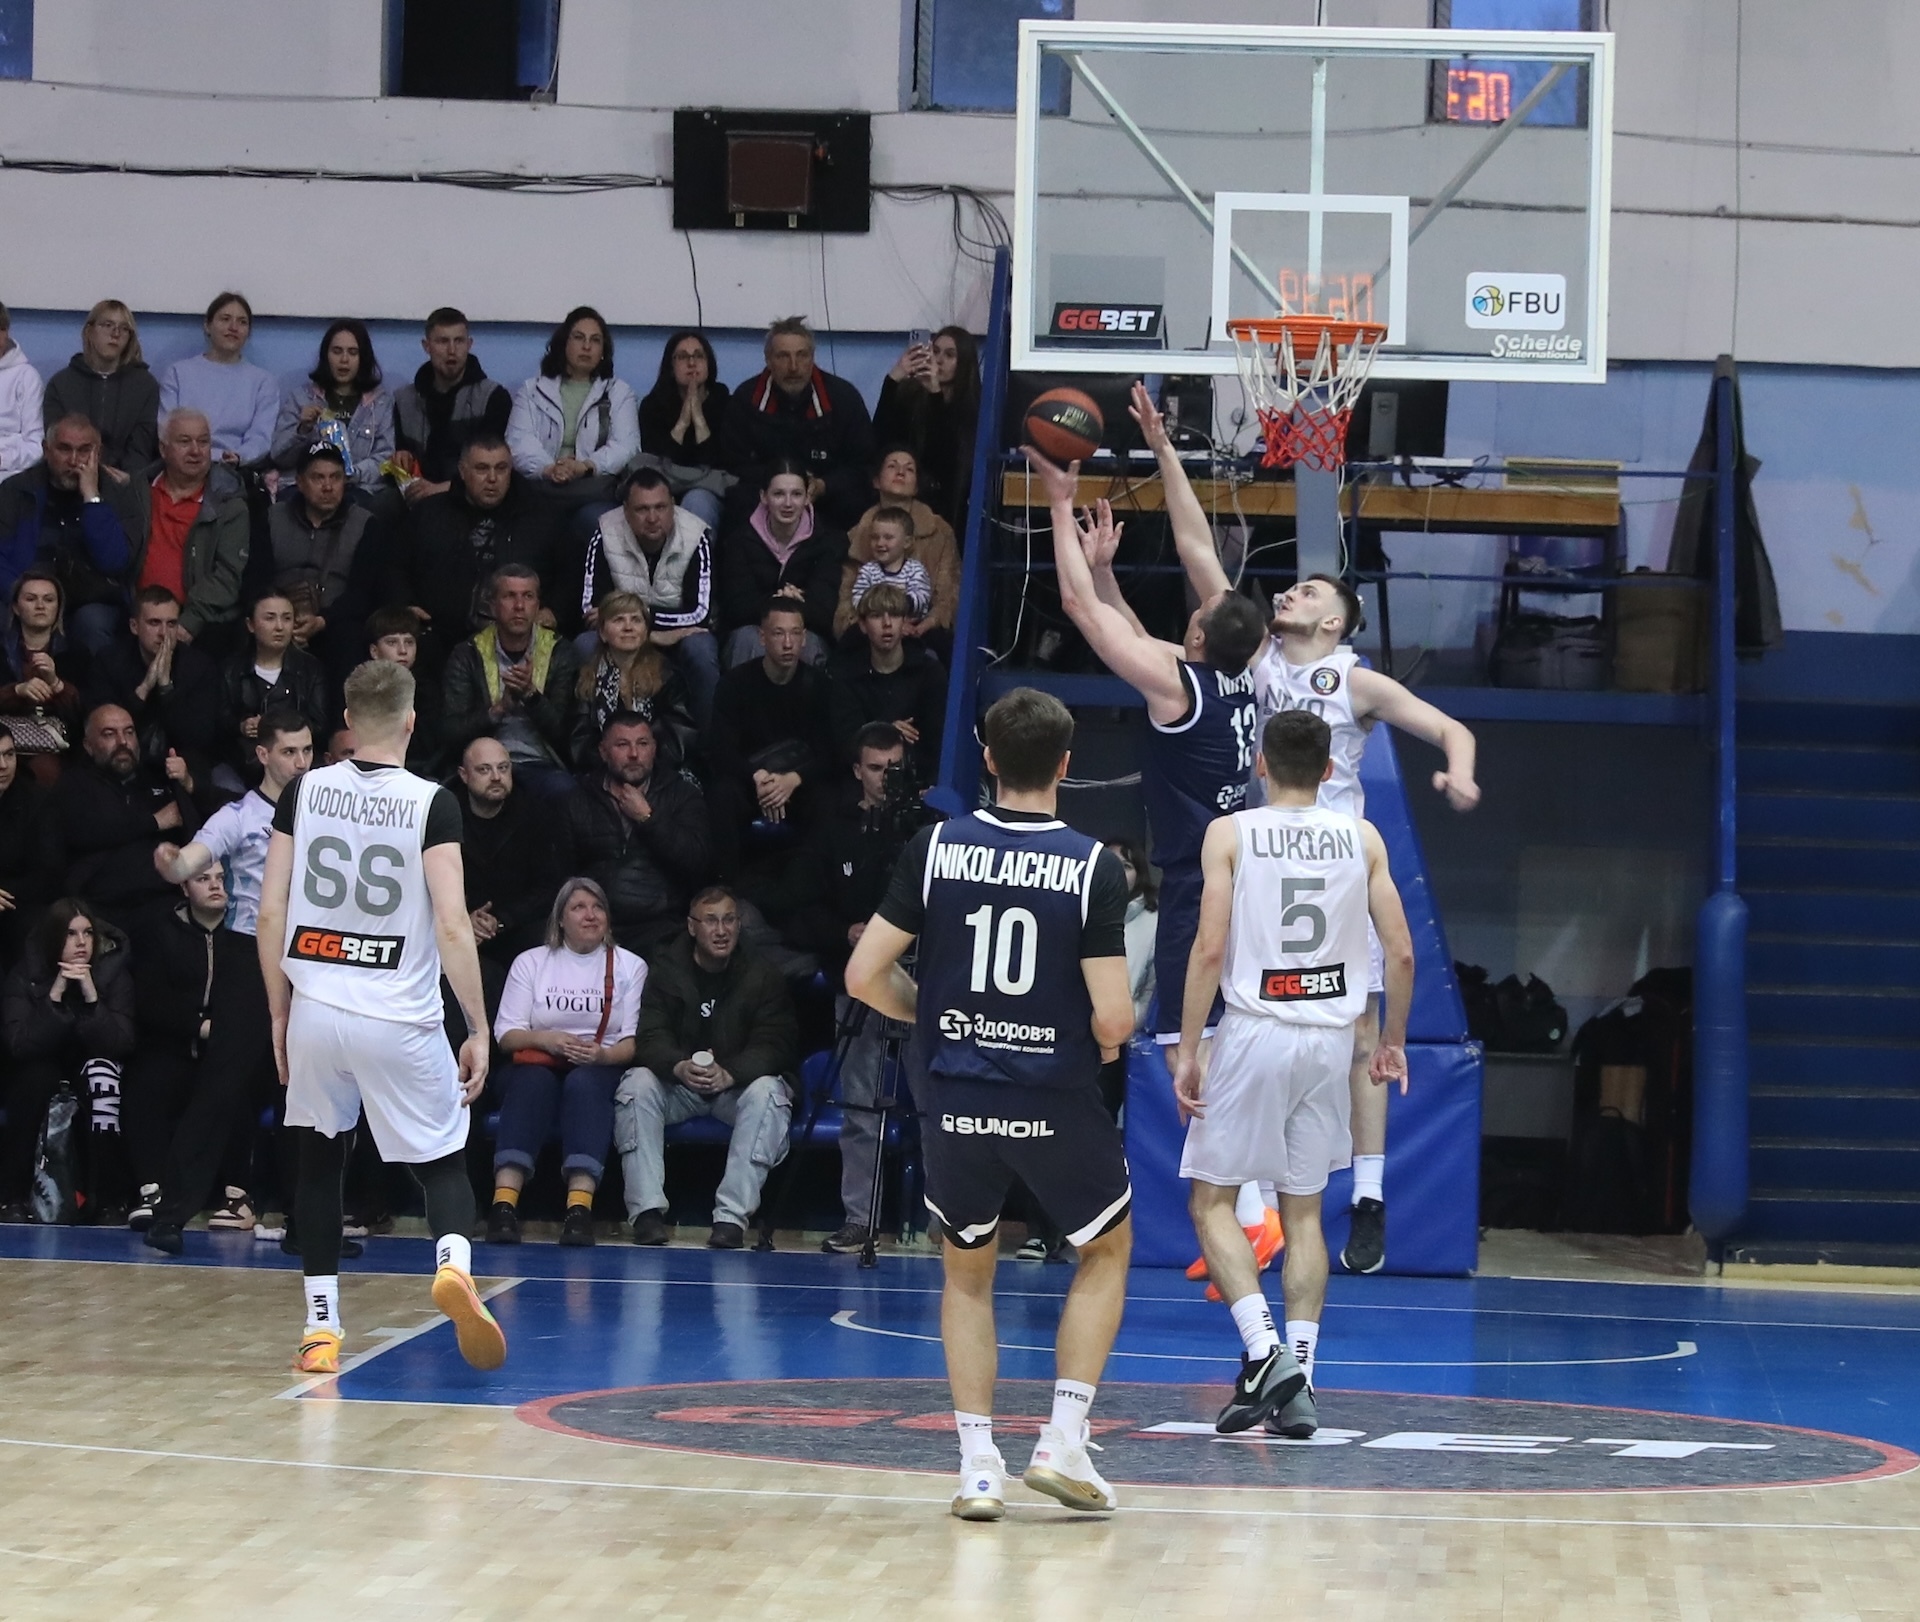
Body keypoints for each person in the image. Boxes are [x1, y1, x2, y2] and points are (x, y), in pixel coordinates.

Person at [1129, 383, 1480, 1276]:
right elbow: (1196, 547)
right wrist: (1164, 449)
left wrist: (1460, 771)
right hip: (1258, 863)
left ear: (1332, 620)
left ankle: (1368, 1198)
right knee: (1245, 1026)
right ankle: (1255, 1212)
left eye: (1309, 588)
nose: (1289, 588)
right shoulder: (1252, 654)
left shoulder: (1354, 680)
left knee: (1360, 1037)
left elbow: (1450, 728)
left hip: (1330, 873)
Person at [844, 687, 1136, 1520]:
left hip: (956, 1093)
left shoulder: (935, 848)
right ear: (1065, 766)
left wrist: (930, 1014)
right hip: (1052, 1094)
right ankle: (1063, 1439)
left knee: (967, 1272)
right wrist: (1102, 1039)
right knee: (1105, 1250)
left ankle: (978, 1465)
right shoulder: (1092, 865)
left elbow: (863, 975)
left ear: (987, 758)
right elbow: (1114, 1017)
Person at [250, 659, 504, 1376]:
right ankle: (452, 1264)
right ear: (412, 721)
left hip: (317, 1008)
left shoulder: (303, 790)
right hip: (397, 1013)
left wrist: (279, 1012)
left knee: (319, 1160)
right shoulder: (432, 802)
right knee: (442, 1159)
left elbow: (270, 911)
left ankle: (320, 1330)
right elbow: (452, 924)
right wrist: (477, 1027)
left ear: (347, 721)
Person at [1172, 710, 1415, 1440]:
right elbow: (1401, 953)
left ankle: (1264, 1354)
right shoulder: (1363, 837)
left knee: (1212, 1202)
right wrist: (1393, 1041)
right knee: (1304, 1213)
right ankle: (1301, 1380)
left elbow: (1208, 948)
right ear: (1330, 769)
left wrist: (1190, 1048)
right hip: (1329, 1041)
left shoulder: (1231, 833)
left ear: (1260, 763)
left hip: (1257, 1030)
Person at [145, 708, 313, 1242]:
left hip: (309, 957)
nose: (301, 762)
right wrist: (172, 864)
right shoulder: (238, 815)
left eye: (308, 750)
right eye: (289, 751)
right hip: (248, 955)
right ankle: (170, 1215)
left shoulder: (324, 812)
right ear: (263, 754)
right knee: (221, 1085)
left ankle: (306, 1225)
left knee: (305, 1092)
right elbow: (191, 859)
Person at [780, 722, 922, 1253]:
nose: (886, 777)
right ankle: (860, 1219)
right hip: (860, 978)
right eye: (877, 768)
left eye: (895, 768)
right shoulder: (832, 830)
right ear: (858, 770)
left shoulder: (928, 831)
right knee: (860, 1106)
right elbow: (800, 902)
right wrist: (846, 932)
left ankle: (950, 1224)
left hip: (923, 979)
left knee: (938, 1102)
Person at [613, 884, 798, 1250]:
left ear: (739, 924)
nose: (721, 930)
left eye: (729, 920)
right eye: (711, 921)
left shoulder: (763, 974)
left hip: (736, 1089)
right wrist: (678, 1066)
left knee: (770, 1093)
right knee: (636, 1084)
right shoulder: (665, 969)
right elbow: (649, 1036)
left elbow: (776, 1042)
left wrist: (732, 1072)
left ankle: (731, 1219)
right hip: (679, 1086)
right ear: (691, 926)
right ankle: (647, 1214)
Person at [486, 877, 646, 1247]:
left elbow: (632, 1042)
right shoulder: (531, 962)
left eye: (598, 907)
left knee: (584, 1085)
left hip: (599, 1066)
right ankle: (503, 1205)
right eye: (579, 908)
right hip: (536, 1062)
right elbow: (506, 1034)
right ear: (560, 919)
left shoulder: (630, 965)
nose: (590, 915)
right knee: (532, 1083)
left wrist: (602, 1055)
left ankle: (579, 1210)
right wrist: (546, 1039)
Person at [123, 864, 247, 1231]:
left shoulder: (245, 933)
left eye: (221, 878)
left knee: (239, 1085)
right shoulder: (159, 932)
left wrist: (225, 1031)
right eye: (203, 879)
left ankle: (238, 1195)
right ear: (184, 887)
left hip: (227, 1047)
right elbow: (150, 999)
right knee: (145, 1085)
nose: (215, 886)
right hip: (173, 1043)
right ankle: (153, 1191)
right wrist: (199, 1026)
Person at [1, 898, 137, 1220]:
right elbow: (20, 1044)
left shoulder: (113, 972)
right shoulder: (26, 974)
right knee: (34, 1082)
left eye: (88, 933)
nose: (81, 942)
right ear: (53, 939)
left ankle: (110, 1199)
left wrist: (92, 998)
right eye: (71, 934)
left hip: (92, 1057)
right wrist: (55, 996)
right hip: (39, 1061)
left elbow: (121, 1043)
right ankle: (12, 1196)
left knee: (102, 1077)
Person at [389, 431, 565, 663]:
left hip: (522, 641)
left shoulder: (542, 517)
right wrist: (406, 605)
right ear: (462, 471)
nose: (492, 478)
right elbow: (394, 565)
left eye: (501, 469)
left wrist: (554, 610)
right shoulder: (428, 514)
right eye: (482, 469)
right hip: (437, 637)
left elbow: (570, 572)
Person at [703, 597, 838, 884]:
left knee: (828, 799)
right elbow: (721, 750)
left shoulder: (821, 687)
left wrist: (793, 780)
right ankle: (727, 888)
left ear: (804, 638)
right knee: (722, 794)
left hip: (799, 784)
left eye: (795, 633)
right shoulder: (734, 685)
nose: (788, 643)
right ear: (762, 637)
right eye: (778, 633)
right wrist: (758, 777)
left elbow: (830, 752)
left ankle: (811, 886)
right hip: (751, 782)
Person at [552, 713, 710, 955]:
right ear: (603, 751)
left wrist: (648, 818)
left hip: (661, 926)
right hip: (594, 926)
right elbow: (561, 876)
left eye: (642, 744)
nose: (634, 754)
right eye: (622, 744)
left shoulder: (682, 795)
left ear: (654, 749)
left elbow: (697, 862)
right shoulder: (576, 801)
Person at [579, 468, 720, 725]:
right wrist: (646, 631)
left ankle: (706, 741)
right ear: (626, 511)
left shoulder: (695, 535)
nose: (653, 518)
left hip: (672, 640)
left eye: (660, 507)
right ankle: (596, 737)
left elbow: (700, 613)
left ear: (672, 506)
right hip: (624, 636)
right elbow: (591, 610)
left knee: (701, 647)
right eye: (642, 509)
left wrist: (636, 621)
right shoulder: (606, 533)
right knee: (585, 644)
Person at [0, 413, 139, 651]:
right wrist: (23, 595)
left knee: (93, 622)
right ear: (46, 450)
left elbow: (115, 562)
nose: (74, 460)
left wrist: (92, 499)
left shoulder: (117, 493)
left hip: (91, 598)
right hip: (26, 593)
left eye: (84, 451)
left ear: (98, 453)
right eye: (64, 449)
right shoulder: (16, 490)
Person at [54, 703, 201, 928]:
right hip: (101, 906)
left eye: (129, 732)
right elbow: (87, 831)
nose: (123, 742)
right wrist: (154, 822)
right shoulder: (74, 784)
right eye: (109, 734)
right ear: (88, 746)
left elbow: (196, 825)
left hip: (163, 900)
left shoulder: (158, 776)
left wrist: (188, 783)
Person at [442, 563, 580, 799]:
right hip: (485, 764)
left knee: (566, 791)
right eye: (509, 596)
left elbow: (565, 734)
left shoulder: (560, 651)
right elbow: (452, 732)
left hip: (541, 764)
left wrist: (531, 696)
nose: (519, 606)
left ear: (538, 605)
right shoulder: (468, 653)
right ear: (492, 605)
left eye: (528, 596)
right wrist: (498, 709)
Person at [722, 316, 875, 528]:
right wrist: (779, 483)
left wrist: (824, 485)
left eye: (802, 355)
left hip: (825, 496)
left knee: (854, 501)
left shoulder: (843, 398)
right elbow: (732, 462)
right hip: (765, 495)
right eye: (783, 356)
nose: (793, 367)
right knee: (738, 500)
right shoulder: (747, 399)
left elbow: (863, 463)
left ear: (813, 357)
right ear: (768, 359)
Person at [132, 409, 251, 648]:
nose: (196, 451)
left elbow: (228, 576)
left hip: (200, 622)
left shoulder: (230, 505)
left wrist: (188, 622)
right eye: (185, 442)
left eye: (203, 442)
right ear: (163, 449)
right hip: (137, 615)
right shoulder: (138, 491)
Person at [260, 442, 381, 677]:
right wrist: (282, 618)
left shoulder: (365, 524)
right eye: (318, 478)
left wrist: (322, 621)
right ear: (300, 482)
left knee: (350, 638)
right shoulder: (272, 519)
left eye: (335, 477)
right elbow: (257, 578)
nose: (328, 486)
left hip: (334, 622)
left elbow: (363, 592)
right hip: (277, 616)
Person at [505, 306, 639, 515]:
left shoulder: (618, 392)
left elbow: (626, 446)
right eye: (578, 337)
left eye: (595, 340)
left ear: (603, 351)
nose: (586, 346)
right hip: (541, 487)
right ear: (563, 344)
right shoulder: (532, 390)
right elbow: (518, 442)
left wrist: (586, 466)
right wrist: (550, 469)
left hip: (593, 491)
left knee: (592, 521)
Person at [83, 588, 221, 784]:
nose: (163, 633)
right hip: (121, 765)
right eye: (154, 623)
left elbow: (198, 739)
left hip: (182, 768)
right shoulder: (109, 661)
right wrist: (145, 688)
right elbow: (102, 728)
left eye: (171, 624)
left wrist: (166, 688)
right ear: (134, 626)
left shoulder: (199, 666)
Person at [717, 459, 847, 665]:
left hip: (805, 632)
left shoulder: (826, 542)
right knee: (748, 639)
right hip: (752, 631)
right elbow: (737, 608)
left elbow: (823, 614)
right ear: (764, 496)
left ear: (807, 497)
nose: (788, 503)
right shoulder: (740, 540)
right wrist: (785, 600)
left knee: (805, 643)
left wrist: (777, 605)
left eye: (796, 494)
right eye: (778, 494)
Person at [837, 446, 960, 659]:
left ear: (917, 486)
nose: (901, 472)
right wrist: (878, 625)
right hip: (869, 629)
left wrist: (922, 625)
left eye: (909, 469)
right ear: (876, 481)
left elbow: (948, 597)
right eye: (892, 466)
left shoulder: (940, 532)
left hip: (920, 629)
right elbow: (848, 600)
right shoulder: (856, 535)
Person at [825, 582, 946, 781]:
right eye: (876, 616)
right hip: (861, 784)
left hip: (918, 779)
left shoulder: (930, 673)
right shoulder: (847, 676)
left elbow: (935, 742)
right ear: (862, 625)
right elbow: (845, 744)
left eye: (895, 615)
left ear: (904, 622)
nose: (887, 623)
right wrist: (886, 730)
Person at [390, 307, 513, 501]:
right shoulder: (404, 400)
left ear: (469, 344)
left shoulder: (493, 398)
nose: (452, 350)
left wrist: (440, 489)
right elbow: (399, 453)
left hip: (470, 498)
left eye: (459, 341)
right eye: (442, 341)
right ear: (426, 346)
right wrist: (401, 458)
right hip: (416, 493)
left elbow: (492, 467)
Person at [269, 321, 395, 494]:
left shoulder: (381, 403)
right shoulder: (301, 398)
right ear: (326, 356)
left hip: (358, 488)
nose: (344, 360)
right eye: (337, 351)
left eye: (353, 352)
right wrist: (302, 430)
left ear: (363, 358)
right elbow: (278, 456)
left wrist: (350, 474)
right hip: (307, 490)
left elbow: (385, 458)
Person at [455, 736, 549, 969]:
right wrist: (465, 920)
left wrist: (500, 920)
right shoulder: (446, 813)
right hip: (459, 928)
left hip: (519, 928)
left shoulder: (535, 811)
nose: (496, 777)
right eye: (484, 769)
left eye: (503, 768)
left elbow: (549, 886)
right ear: (464, 775)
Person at [570, 593, 692, 770]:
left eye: (636, 620)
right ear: (602, 633)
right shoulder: (585, 679)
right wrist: (618, 772)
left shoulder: (667, 676)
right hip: (602, 773)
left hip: (659, 772)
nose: (628, 627)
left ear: (646, 632)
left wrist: (640, 774)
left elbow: (678, 741)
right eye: (618, 620)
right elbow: (580, 744)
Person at [872, 326, 979, 528]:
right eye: (935, 351)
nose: (938, 360)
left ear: (964, 363)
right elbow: (881, 439)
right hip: (906, 498)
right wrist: (893, 378)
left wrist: (935, 393)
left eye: (949, 355)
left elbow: (945, 459)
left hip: (946, 505)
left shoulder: (971, 408)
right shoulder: (910, 396)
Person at [157, 293, 279, 468]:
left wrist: (239, 456)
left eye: (242, 322)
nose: (233, 327)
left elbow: (261, 437)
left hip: (235, 468)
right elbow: (166, 430)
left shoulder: (263, 382)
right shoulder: (177, 373)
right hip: (183, 465)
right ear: (207, 326)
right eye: (225, 319)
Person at [217, 592, 327, 785]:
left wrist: (276, 728)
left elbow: (319, 723)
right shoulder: (230, 669)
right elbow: (219, 720)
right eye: (270, 618)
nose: (279, 627)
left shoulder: (310, 668)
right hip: (244, 764)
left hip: (298, 764)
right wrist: (241, 726)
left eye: (287, 618)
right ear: (250, 625)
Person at [40, 299, 160, 474]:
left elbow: (141, 448)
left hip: (125, 478)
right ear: (89, 331)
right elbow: (58, 445)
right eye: (107, 325)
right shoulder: (61, 383)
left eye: (124, 328)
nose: (115, 334)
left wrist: (127, 480)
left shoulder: (145, 385)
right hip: (70, 474)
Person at [634, 329, 733, 530]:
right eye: (682, 357)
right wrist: (683, 422)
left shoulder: (725, 402)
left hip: (709, 489)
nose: (692, 363)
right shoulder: (653, 405)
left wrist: (699, 420)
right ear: (671, 367)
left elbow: (720, 461)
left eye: (699, 356)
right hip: (664, 487)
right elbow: (658, 463)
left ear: (709, 364)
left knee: (697, 501)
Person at [0, 725, 63, 968]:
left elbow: (49, 873)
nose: (3, 765)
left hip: (19, 903)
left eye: (9, 754)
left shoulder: (37, 801)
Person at [0, 568, 87, 742]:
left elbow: (87, 714)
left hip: (63, 746)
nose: (40, 606)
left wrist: (56, 684)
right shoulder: (1, 650)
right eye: (31, 599)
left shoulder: (77, 654)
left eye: (48, 600)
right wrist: (16, 691)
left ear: (58, 607)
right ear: (16, 607)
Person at [364, 606, 446, 773]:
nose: (403, 650)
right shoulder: (360, 688)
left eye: (409, 642)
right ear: (374, 651)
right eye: (392, 642)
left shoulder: (427, 691)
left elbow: (430, 746)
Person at [846, 504, 933, 623]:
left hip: (908, 624)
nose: (880, 543)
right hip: (875, 625)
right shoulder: (868, 570)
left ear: (907, 542)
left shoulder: (915, 570)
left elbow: (921, 598)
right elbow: (858, 600)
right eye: (875, 537)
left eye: (888, 537)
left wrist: (896, 609)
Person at [0, 301, 45, 478]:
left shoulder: (27, 377)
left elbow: (36, 446)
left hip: (9, 475)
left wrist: (3, 459)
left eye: (1, 329)